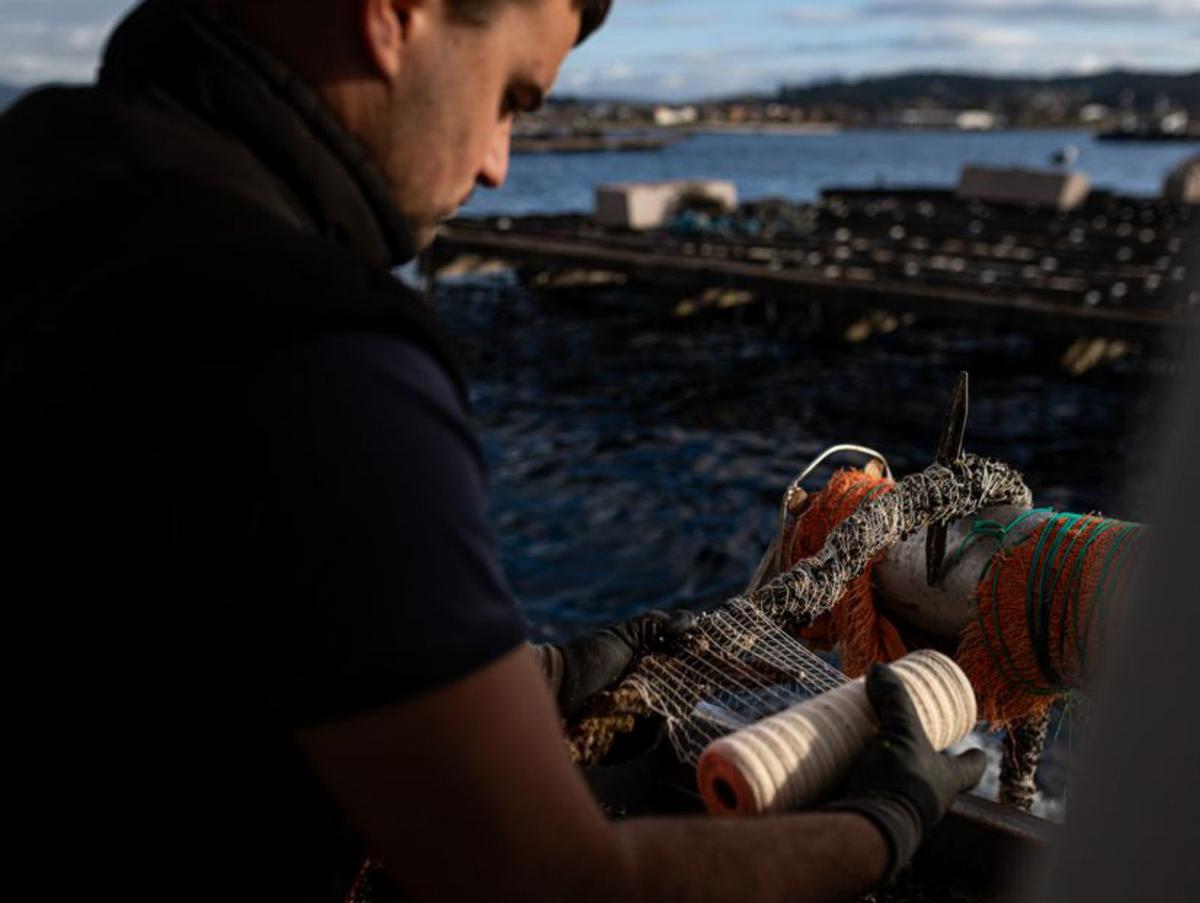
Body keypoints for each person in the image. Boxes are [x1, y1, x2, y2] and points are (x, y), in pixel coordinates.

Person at [0, 1, 985, 900]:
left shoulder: (47, 180)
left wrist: (544, 676)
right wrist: (882, 824)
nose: (499, 164)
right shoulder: (307, 345)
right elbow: (543, 880)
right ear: (394, 15)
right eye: (511, 97)